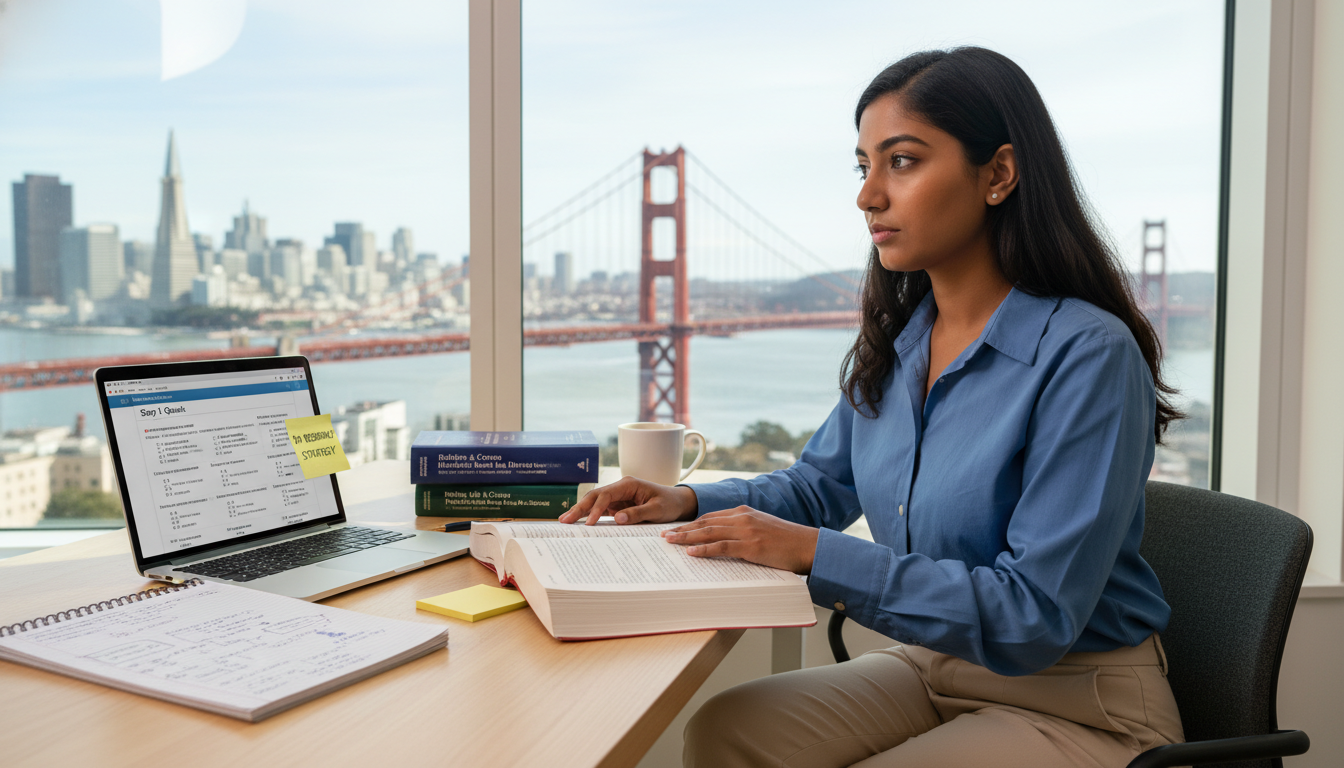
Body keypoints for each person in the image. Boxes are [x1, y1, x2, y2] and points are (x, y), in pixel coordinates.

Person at [560, 46, 1185, 768]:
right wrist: (685, 501)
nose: (868, 196)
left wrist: (813, 553)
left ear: (999, 174)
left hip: (1081, 703)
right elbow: (813, 488)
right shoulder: (901, 347)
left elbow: (1032, 617)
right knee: (725, 730)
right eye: (864, 167)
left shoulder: (1088, 355)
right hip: (935, 667)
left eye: (904, 161)